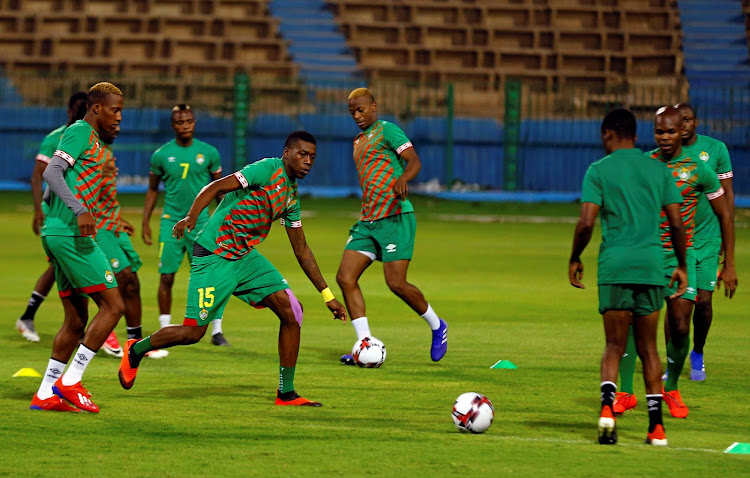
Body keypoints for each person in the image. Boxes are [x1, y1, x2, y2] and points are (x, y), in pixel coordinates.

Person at [119, 131, 347, 406]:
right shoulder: (266, 169)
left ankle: (286, 393)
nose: (308, 161)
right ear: (287, 153)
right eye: (302, 154)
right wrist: (192, 217)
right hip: (215, 254)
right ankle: (136, 349)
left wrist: (327, 296)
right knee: (193, 333)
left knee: (292, 311)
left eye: (312, 156)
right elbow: (215, 187)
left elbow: (302, 251)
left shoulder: (291, 198)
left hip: (245, 258)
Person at [569, 108, 688, 446]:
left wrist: (575, 257)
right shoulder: (658, 170)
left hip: (615, 267)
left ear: (608, 134)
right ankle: (656, 429)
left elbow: (587, 222)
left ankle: (607, 410)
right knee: (650, 348)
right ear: (636, 135)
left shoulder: (598, 171)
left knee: (614, 346)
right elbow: (677, 223)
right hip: (652, 267)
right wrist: (680, 265)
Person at [613, 107, 736, 419]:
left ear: (682, 131)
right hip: (645, 257)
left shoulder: (698, 169)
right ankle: (626, 392)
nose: (665, 137)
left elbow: (724, 214)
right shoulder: (644, 165)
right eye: (659, 132)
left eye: (670, 131)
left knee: (681, 326)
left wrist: (730, 262)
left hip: (682, 260)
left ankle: (673, 387)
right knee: (630, 320)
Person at [31, 82, 126, 413]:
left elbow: (57, 186)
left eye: (122, 112)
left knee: (75, 320)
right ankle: (70, 381)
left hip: (62, 232)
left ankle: (45, 393)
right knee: (114, 306)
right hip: (70, 234)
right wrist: (77, 210)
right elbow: (51, 172)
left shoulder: (98, 146)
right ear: (97, 108)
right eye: (115, 110)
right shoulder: (79, 132)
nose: (119, 117)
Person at [337, 88, 447, 365]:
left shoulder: (388, 130)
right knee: (345, 277)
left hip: (395, 216)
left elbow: (414, 161)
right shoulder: (358, 140)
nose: (357, 116)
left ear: (374, 107)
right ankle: (364, 344)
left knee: (396, 283)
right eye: (352, 112)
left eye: (361, 110)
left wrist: (404, 179)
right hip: (368, 221)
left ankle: (437, 325)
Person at [142, 105, 229, 346]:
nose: (186, 125)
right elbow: (152, 190)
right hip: (171, 223)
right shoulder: (161, 155)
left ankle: (216, 331)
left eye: (189, 121)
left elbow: (220, 190)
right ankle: (164, 328)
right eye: (180, 122)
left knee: (209, 278)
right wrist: (146, 222)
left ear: (194, 122)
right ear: (173, 125)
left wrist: (227, 220)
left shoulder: (209, 153)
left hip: (201, 224)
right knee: (167, 277)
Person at [16, 91, 87, 342]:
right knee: (63, 264)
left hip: (75, 214)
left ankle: (33, 317)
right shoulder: (55, 138)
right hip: (55, 213)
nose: (81, 113)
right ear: (69, 111)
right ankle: (34, 318)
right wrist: (38, 211)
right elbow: (39, 176)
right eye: (78, 108)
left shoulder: (89, 138)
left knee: (61, 265)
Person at [674, 103, 735, 381]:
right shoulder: (665, 156)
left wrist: (726, 239)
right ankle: (671, 361)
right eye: (679, 121)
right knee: (677, 305)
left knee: (704, 302)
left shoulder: (715, 150)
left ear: (695, 122)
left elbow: (728, 198)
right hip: (676, 241)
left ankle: (697, 352)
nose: (683, 125)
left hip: (709, 238)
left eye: (687, 120)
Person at [95, 143, 169, 359]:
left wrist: (118, 220)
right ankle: (103, 331)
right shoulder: (84, 151)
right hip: (97, 229)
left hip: (112, 227)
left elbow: (104, 203)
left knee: (132, 283)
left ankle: (134, 344)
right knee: (119, 278)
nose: (115, 166)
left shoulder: (102, 147)